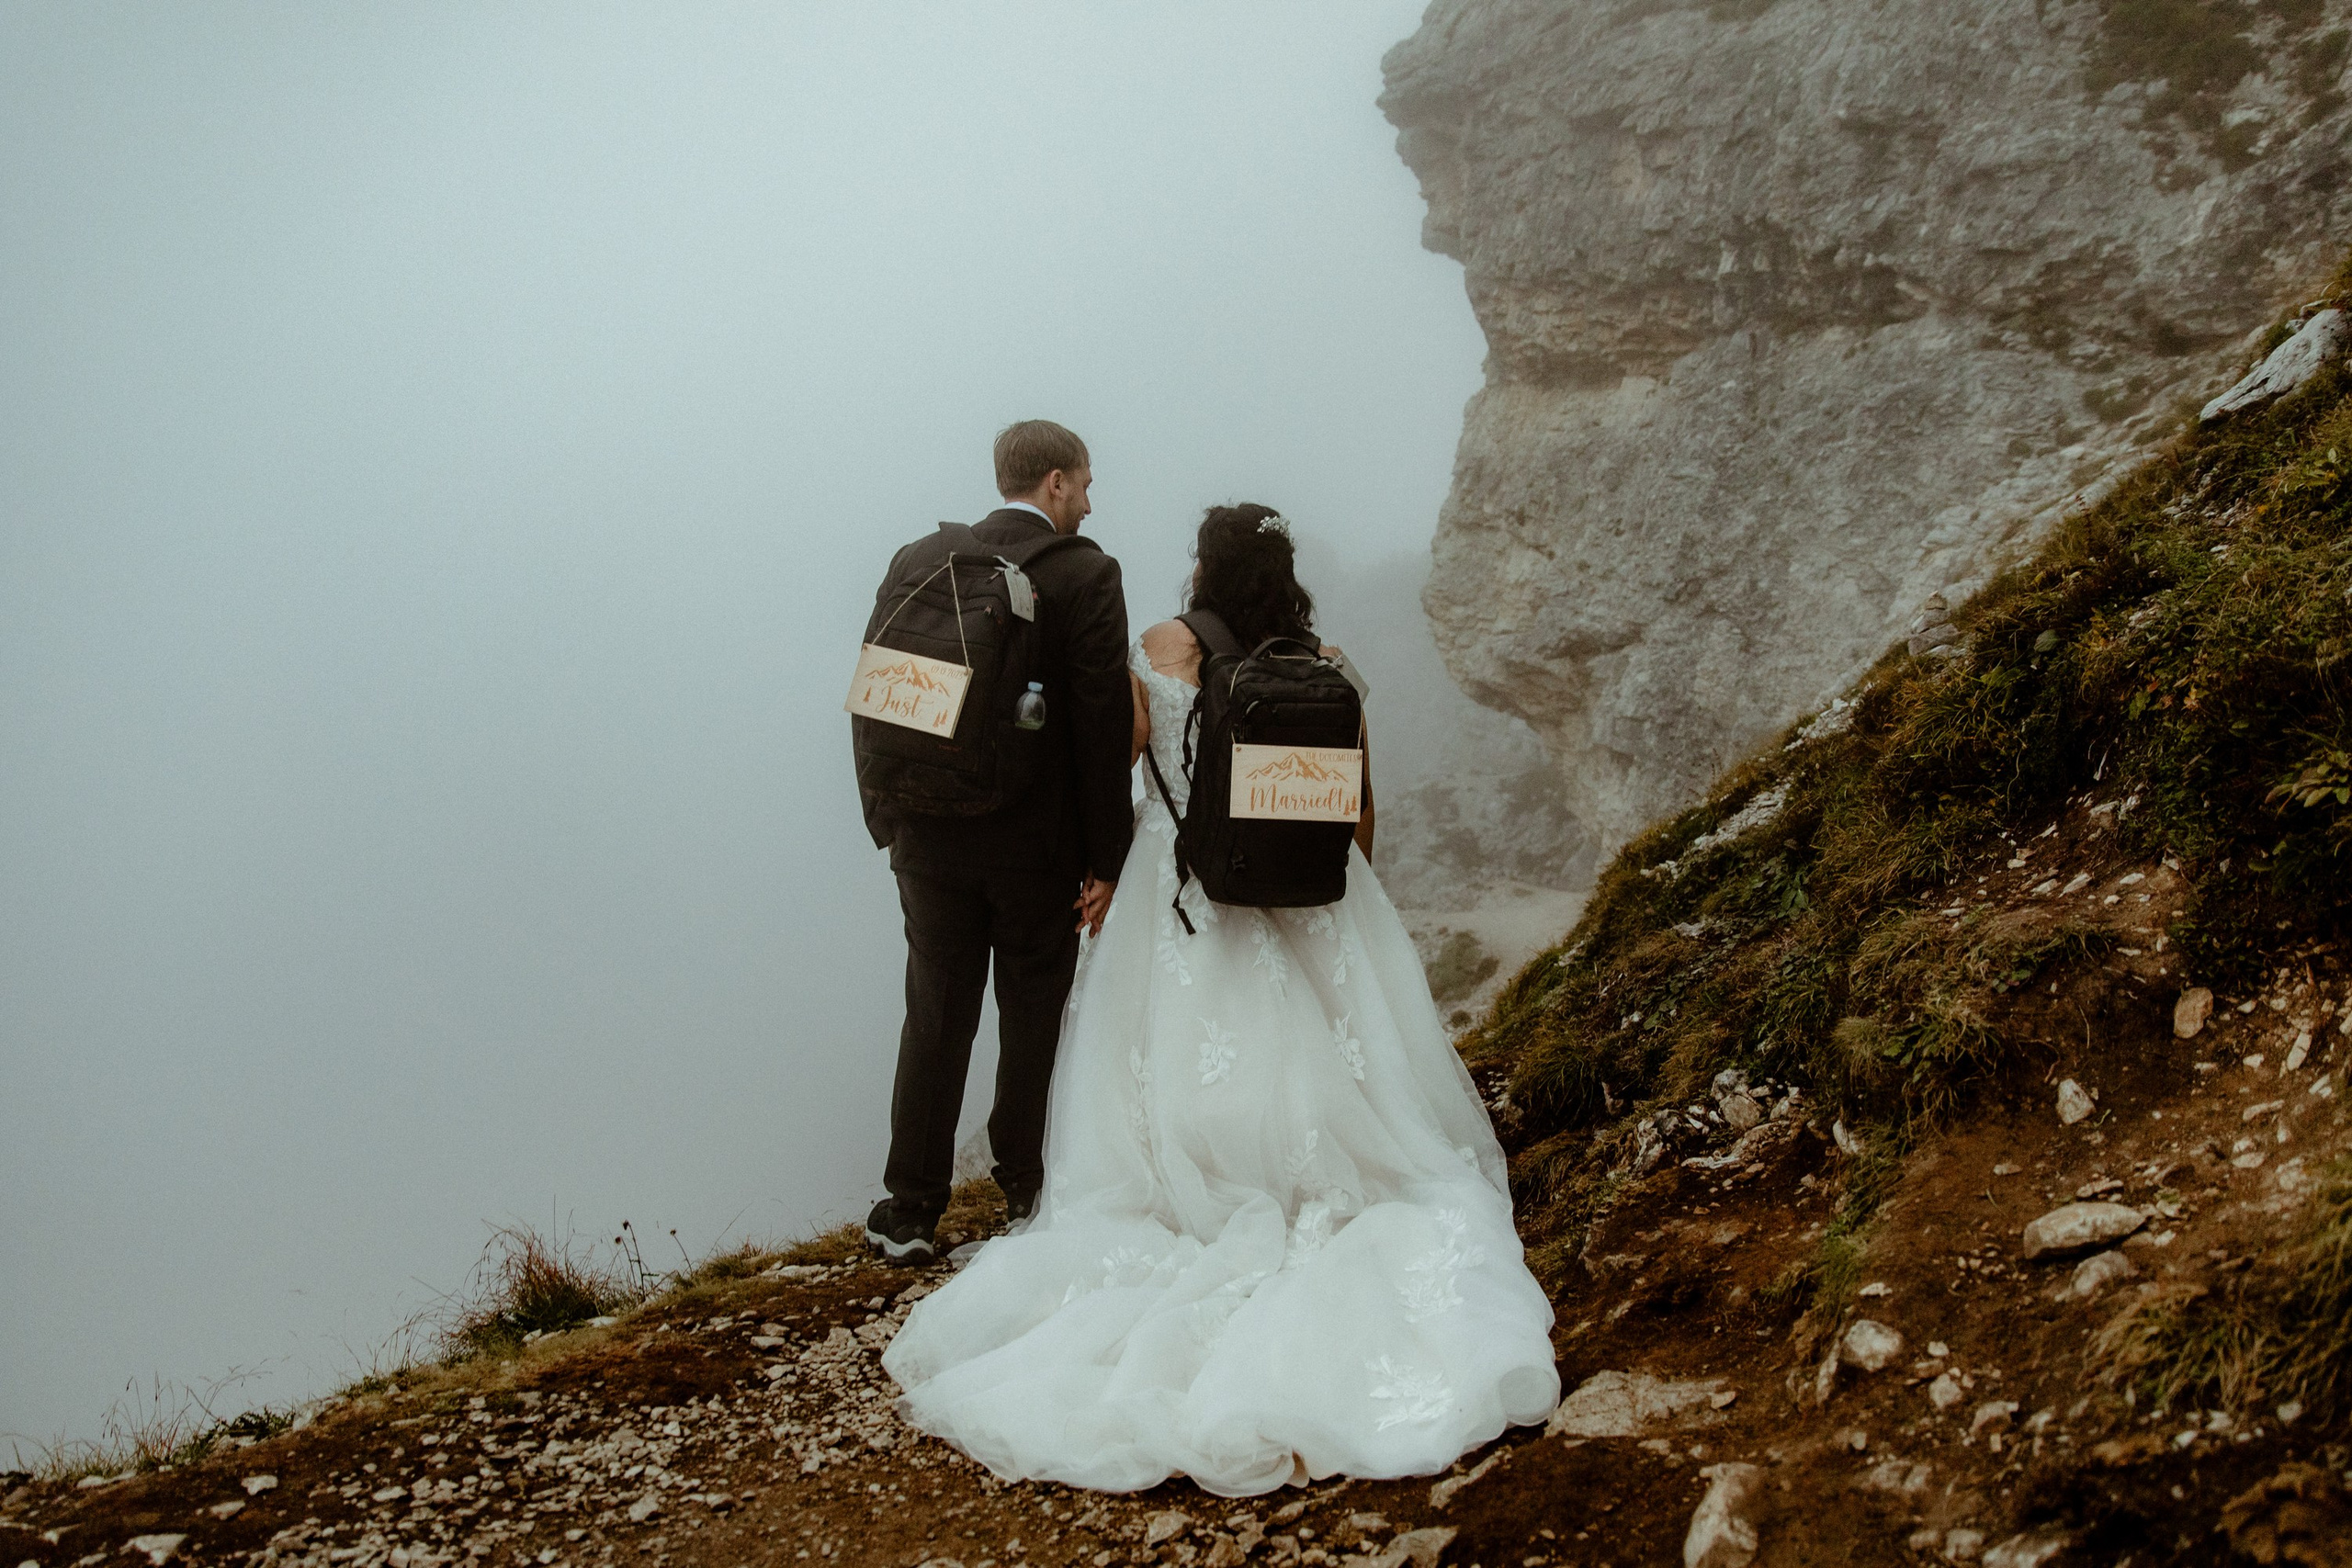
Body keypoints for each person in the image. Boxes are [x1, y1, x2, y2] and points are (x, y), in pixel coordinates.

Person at [881, 502, 1559, 1496]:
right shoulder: (1326, 663)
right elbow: (1358, 811)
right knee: (1334, 1067)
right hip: (1309, 896)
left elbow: (1116, 767)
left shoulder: (1158, 647)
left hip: (1182, 892)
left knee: (1168, 1069)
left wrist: (1108, 861)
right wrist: (1325, 902)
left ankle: (1192, 1185)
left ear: (1204, 572)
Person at [860, 420, 1133, 1265]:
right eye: (1084, 484)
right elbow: (1098, 726)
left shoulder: (921, 560)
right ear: (1053, 482)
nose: (1090, 501)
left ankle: (908, 1209)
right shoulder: (1087, 573)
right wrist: (1106, 860)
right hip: (1033, 845)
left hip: (927, 838)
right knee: (1030, 1012)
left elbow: (881, 689)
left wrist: (887, 818)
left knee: (935, 1014)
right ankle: (1025, 1190)